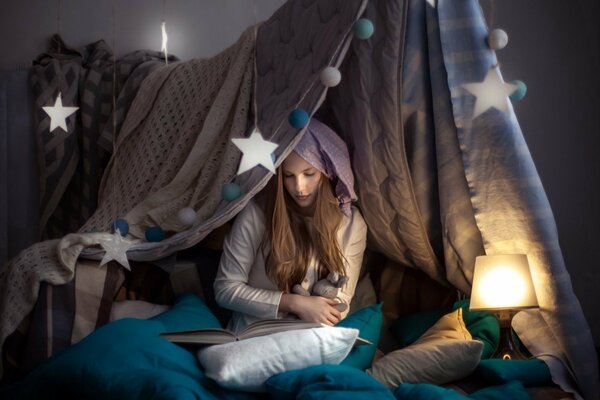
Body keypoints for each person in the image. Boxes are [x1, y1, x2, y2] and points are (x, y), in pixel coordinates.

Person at [214, 118, 368, 333]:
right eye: (288, 176)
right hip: (255, 335)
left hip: (312, 336)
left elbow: (341, 301)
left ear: (326, 173)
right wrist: (293, 303)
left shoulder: (352, 224)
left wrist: (319, 314)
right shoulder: (256, 214)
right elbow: (225, 289)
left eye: (309, 174)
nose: (299, 187)